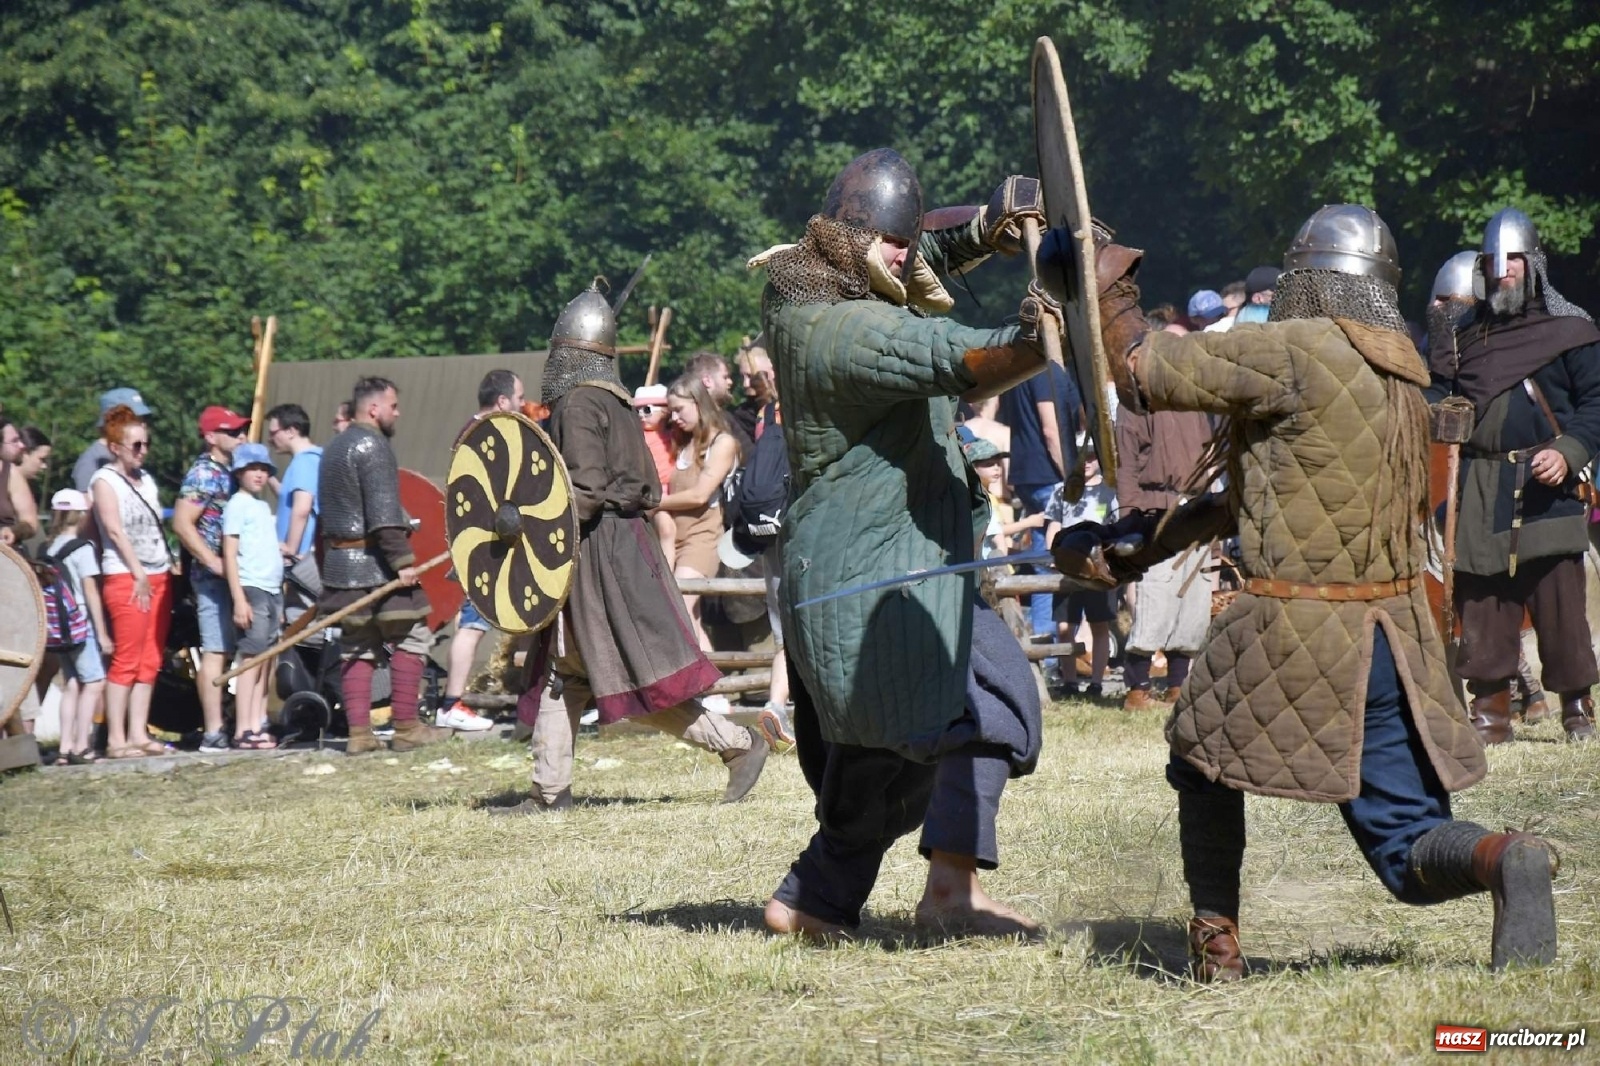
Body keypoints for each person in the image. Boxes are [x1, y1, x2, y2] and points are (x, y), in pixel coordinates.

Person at [1070, 203, 1557, 980]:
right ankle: (1505, 857)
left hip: (1296, 628)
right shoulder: (1401, 371)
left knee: (1201, 761)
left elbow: (1140, 374)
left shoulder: (1293, 351)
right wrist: (1143, 547)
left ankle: (1217, 943)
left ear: (1308, 280)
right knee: (1405, 847)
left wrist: (1108, 286)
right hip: (1392, 642)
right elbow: (1269, 495)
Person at [751, 149, 1051, 940]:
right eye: (890, 242)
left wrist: (987, 229)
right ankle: (949, 892)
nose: (902, 255)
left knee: (887, 761)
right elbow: (959, 359)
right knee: (992, 700)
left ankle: (814, 899)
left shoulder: (812, 279)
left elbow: (911, 261)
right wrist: (1047, 321)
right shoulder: (841, 329)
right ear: (849, 241)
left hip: (873, 565)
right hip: (879, 574)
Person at [500, 280, 771, 813]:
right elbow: (648, 483)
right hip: (622, 545)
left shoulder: (578, 404)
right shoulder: (620, 403)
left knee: (623, 672)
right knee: (567, 667)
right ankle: (549, 791)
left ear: (568, 354)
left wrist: (528, 525)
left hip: (598, 552)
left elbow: (584, 490)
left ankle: (738, 744)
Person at [1425, 208, 1600, 744]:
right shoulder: (1464, 335)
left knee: (1560, 602)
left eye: (1515, 261)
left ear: (1534, 264)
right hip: (1480, 482)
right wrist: (1439, 409)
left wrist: (1570, 451)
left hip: (1548, 481)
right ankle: (1491, 713)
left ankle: (1576, 707)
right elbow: (1437, 391)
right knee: (1484, 599)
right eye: (1496, 263)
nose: (1505, 272)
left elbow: (1596, 401)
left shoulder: (1571, 330)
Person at [319, 376, 453, 754]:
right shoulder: (372, 446)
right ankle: (407, 727)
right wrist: (402, 563)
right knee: (412, 636)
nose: (398, 413)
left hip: (341, 567)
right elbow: (383, 516)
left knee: (357, 646)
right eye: (393, 406)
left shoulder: (333, 448)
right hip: (377, 564)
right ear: (374, 409)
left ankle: (360, 735)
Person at [436, 370, 523, 732]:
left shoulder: (475, 432)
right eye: (518, 397)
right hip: (484, 547)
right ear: (502, 401)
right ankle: (450, 703)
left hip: (484, 544)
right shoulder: (484, 435)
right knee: (472, 624)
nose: (521, 403)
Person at [1114, 402, 1213, 710]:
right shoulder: (1135, 405)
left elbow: (1208, 459)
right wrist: (1130, 518)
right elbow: (1126, 466)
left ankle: (1178, 685)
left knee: (1192, 603)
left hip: (1196, 507)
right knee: (1156, 598)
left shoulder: (1194, 400)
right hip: (1154, 509)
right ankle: (1138, 689)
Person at [88, 405, 174, 759]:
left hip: (158, 571)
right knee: (126, 657)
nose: (142, 451)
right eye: (135, 445)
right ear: (115, 447)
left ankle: (139, 732)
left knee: (150, 658)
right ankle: (116, 737)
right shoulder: (105, 481)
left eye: (145, 444)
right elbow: (113, 530)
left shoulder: (148, 480)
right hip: (126, 575)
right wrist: (138, 572)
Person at [173, 405, 248, 754]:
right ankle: (213, 731)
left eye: (241, 430)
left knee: (229, 649)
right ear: (210, 436)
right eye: (232, 431)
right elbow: (183, 522)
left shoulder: (231, 470)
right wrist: (213, 562)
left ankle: (229, 722)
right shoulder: (203, 473)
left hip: (231, 576)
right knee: (215, 652)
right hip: (212, 579)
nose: (240, 436)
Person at [656, 375, 743, 652]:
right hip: (673, 539)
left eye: (680, 410)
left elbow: (699, 495)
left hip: (703, 538)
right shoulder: (682, 444)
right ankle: (714, 693)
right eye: (671, 412)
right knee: (689, 617)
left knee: (679, 607)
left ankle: (702, 689)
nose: (675, 418)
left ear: (698, 403)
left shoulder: (722, 443)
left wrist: (654, 503)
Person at [222, 443, 283, 750]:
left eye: (264, 470)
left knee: (267, 659)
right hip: (252, 588)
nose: (259, 475)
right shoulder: (237, 504)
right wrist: (239, 599)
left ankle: (258, 720)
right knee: (251, 657)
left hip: (272, 589)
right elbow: (230, 553)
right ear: (239, 473)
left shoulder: (261, 506)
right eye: (253, 469)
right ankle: (243, 727)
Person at [1042, 445, 1117, 696]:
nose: (1086, 461)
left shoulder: (1110, 491)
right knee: (1064, 626)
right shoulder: (1060, 490)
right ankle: (1070, 682)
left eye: (1093, 456)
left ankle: (1097, 682)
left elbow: (1116, 528)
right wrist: (1054, 554)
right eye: (1081, 456)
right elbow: (1053, 525)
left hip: (1099, 568)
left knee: (1100, 625)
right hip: (1067, 568)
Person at [42, 489, 110, 763]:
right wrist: (103, 633)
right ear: (81, 515)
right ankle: (83, 744)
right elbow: (90, 592)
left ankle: (64, 747)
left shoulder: (47, 548)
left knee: (72, 684)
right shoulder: (83, 548)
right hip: (81, 625)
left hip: (57, 628)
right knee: (94, 683)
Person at [265, 403, 322, 559]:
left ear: (291, 431)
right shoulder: (309, 460)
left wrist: (290, 548)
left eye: (273, 433)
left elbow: (302, 508)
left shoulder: (305, 461)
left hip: (294, 559)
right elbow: (288, 497)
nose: (270, 439)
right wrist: (265, 471)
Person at [632, 384, 678, 568]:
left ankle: (667, 569)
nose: (642, 415)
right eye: (638, 411)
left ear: (665, 412)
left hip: (673, 490)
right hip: (651, 492)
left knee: (668, 531)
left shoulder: (674, 435)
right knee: (665, 529)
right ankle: (665, 572)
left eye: (647, 410)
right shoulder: (637, 436)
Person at [74, 387, 152, 492]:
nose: (143, 424)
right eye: (134, 419)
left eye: (143, 418)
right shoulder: (90, 462)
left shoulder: (132, 456)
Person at [0, 417, 39, 546]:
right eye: (14, 441)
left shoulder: (10, 473)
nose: (22, 445)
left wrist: (13, 531)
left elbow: (30, 523)